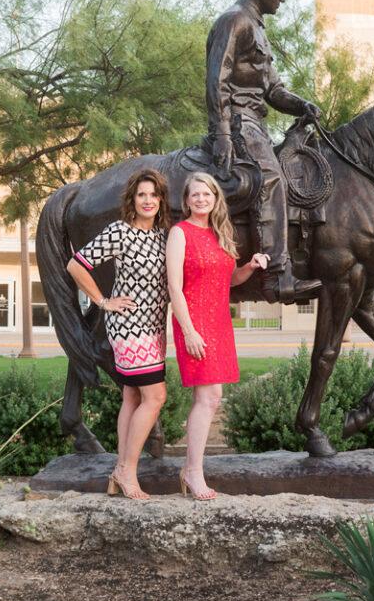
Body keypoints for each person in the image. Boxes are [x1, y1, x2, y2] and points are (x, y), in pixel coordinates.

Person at [205, 0, 323, 305]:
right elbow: (217, 81)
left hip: (256, 123)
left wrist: (301, 104)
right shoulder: (234, 21)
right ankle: (277, 276)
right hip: (239, 122)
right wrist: (223, 134)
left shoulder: (257, 29)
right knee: (271, 178)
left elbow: (273, 91)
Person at [66, 168, 170, 501]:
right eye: (142, 194)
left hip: (154, 328)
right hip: (128, 327)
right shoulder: (120, 232)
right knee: (155, 398)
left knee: (133, 397)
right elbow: (76, 265)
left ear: (160, 200)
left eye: (154, 194)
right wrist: (102, 301)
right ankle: (127, 471)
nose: (148, 200)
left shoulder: (162, 236)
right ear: (132, 199)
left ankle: (117, 474)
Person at [166, 171, 268, 500]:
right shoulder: (179, 234)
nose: (200, 199)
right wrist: (189, 330)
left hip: (220, 323)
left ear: (214, 199)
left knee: (213, 398)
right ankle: (193, 471)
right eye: (194, 194)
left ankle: (191, 469)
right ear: (186, 201)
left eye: (206, 194)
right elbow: (174, 288)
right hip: (194, 322)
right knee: (208, 398)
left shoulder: (220, 233)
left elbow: (229, 280)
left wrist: (249, 267)